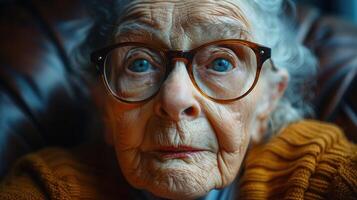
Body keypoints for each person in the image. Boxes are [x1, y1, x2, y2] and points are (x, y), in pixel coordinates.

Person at [1, 0, 356, 199]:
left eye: (221, 62)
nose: (175, 98)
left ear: (268, 101)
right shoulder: (52, 187)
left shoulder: (314, 169)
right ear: (104, 106)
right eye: (139, 63)